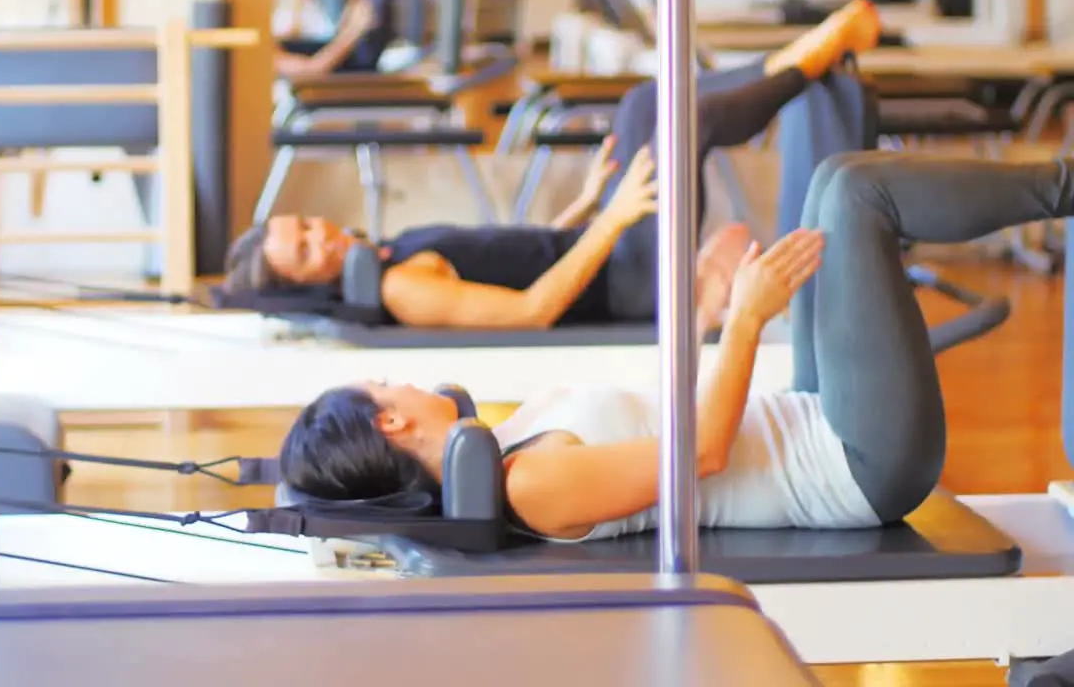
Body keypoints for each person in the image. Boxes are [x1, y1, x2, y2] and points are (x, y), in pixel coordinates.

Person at [277, 150, 1074, 539]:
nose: (394, 381)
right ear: (389, 425)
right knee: (862, 196)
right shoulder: (529, 484)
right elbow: (700, 453)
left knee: (834, 180)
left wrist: (707, 314)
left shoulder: (508, 444)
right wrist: (751, 321)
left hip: (807, 415)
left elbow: (656, 416)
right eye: (382, 389)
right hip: (852, 465)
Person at [226, 0, 883, 328]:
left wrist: (589, 201)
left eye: (307, 225)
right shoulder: (401, 289)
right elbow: (532, 310)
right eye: (307, 250)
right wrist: (617, 216)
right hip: (634, 284)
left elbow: (520, 252)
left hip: (607, 247)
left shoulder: (385, 255)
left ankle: (796, 60)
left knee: (647, 102)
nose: (322, 233)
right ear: (312, 287)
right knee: (689, 125)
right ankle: (815, 52)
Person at [275, 0, 442, 79]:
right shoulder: (262, 57)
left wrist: (349, 21)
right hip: (349, 75)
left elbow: (295, 31)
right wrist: (354, 30)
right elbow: (313, 70)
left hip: (350, 60)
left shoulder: (269, 41)